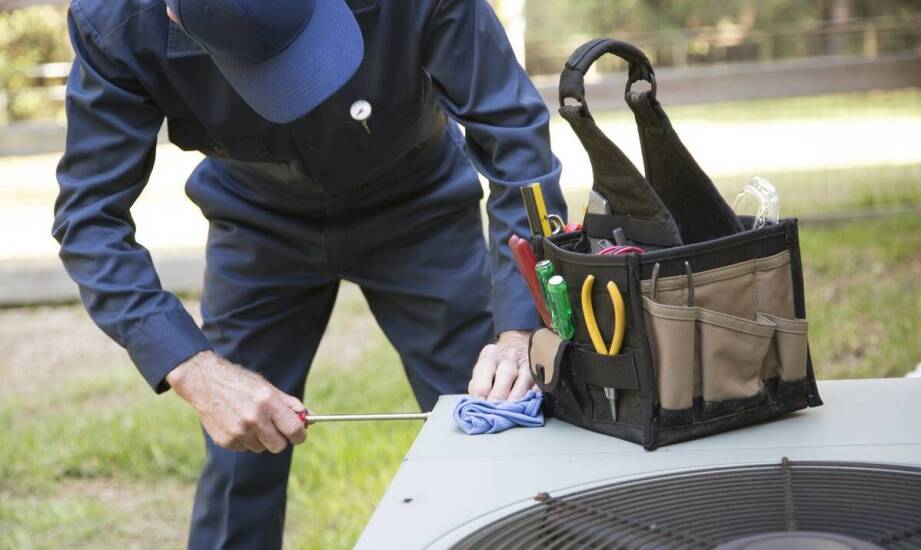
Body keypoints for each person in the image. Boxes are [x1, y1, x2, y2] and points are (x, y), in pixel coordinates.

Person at [54, 0, 565, 547]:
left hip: (420, 207)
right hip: (257, 220)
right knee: (241, 451)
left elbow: (513, 133)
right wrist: (194, 369)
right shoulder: (115, 23)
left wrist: (518, 326)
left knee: (490, 416)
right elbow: (90, 219)